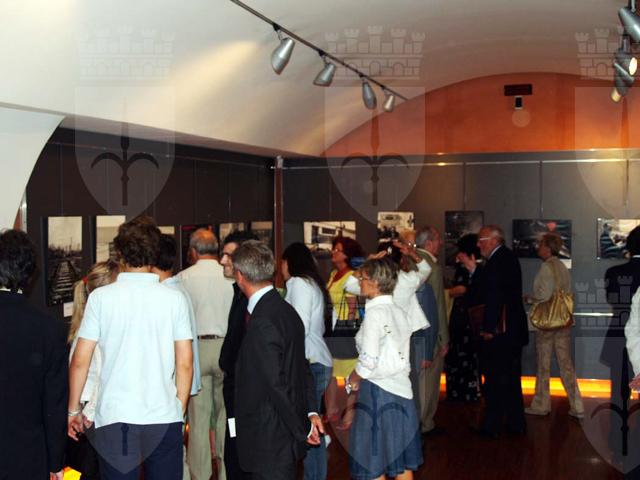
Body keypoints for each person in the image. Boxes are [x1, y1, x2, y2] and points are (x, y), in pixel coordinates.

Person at [68, 217, 194, 479]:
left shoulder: (101, 298)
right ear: (154, 253)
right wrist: (178, 410)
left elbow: (80, 360)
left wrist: (73, 410)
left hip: (116, 416)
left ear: (120, 253)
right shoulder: (174, 300)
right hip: (163, 414)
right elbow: (184, 363)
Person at [232, 240, 323, 480]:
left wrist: (303, 428)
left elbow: (275, 384)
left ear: (240, 276)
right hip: (279, 436)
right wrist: (310, 411)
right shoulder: (285, 310)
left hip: (269, 439)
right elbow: (302, 367)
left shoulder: (263, 320)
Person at [347, 257, 423, 480]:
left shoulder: (375, 313)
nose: (359, 282)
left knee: (373, 462)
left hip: (378, 392)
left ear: (375, 283)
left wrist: (353, 378)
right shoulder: (398, 310)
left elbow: (368, 360)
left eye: (362, 278)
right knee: (401, 462)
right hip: (403, 391)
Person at [0, 229, 67, 480]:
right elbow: (54, 404)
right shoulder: (49, 329)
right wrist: (56, 462)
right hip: (27, 454)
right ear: (29, 272)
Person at [178, 228, 234, 480]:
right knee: (225, 414)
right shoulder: (230, 276)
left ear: (193, 251)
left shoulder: (183, 278)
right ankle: (225, 472)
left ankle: (199, 475)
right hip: (226, 346)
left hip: (195, 348)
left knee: (198, 418)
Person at [151, 234, 203, 480]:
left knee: (172, 453)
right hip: (180, 385)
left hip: (170, 387)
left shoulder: (165, 296)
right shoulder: (179, 289)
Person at [281, 242, 333, 480]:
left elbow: (297, 327)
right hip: (317, 359)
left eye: (282, 262)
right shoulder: (312, 283)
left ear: (289, 262)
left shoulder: (299, 283)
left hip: (309, 362)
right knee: (313, 424)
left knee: (310, 427)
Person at [472, 225, 528, 437]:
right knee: (511, 380)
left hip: (501, 332)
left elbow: (494, 297)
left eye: (481, 240)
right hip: (512, 331)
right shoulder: (507, 258)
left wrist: (489, 328)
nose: (478, 244)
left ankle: (492, 426)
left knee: (495, 380)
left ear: (494, 241)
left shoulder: (498, 261)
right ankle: (515, 423)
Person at [66, 259, 120, 480]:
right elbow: (102, 375)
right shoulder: (99, 328)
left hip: (91, 412)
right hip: (96, 414)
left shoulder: (85, 325)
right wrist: (87, 412)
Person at [524, 233, 584, 418]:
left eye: (541, 245)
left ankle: (541, 405)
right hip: (563, 321)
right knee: (566, 364)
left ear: (548, 248)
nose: (539, 248)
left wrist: (529, 298)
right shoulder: (562, 266)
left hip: (547, 323)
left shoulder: (546, 267)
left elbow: (543, 295)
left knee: (543, 365)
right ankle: (577, 405)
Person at [218, 230, 259, 480]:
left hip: (244, 397)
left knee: (240, 458)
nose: (222, 261)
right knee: (234, 454)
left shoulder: (251, 302)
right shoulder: (239, 294)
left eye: (228, 255)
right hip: (235, 394)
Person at [325, 236, 365, 425]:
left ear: (347, 255)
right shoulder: (334, 273)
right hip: (334, 327)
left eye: (338, 250)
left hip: (346, 327)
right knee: (331, 370)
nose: (334, 252)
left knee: (350, 371)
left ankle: (350, 413)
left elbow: (352, 307)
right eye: (334, 249)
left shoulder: (351, 276)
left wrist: (347, 329)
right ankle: (332, 409)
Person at [414, 226, 449, 435]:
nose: (441, 243)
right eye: (438, 239)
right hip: (429, 334)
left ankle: (417, 424)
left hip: (410, 334)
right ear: (428, 243)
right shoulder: (432, 268)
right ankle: (424, 424)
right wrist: (443, 338)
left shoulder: (406, 262)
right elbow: (437, 306)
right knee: (428, 383)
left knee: (416, 382)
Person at [445, 234, 482, 402]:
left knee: (457, 355)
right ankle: (470, 390)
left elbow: (461, 289)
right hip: (470, 318)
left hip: (460, 317)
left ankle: (457, 392)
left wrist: (445, 293)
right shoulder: (480, 266)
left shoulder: (464, 268)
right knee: (470, 356)